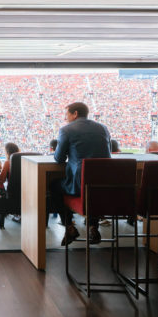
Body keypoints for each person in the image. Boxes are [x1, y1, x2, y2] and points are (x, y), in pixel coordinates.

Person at [50, 102, 111, 246]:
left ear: (75, 113)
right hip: (104, 186)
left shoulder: (66, 130)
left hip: (79, 186)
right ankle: (93, 226)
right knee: (93, 189)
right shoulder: (103, 128)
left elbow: (59, 158)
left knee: (54, 186)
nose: (66, 119)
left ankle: (69, 226)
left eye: (67, 115)